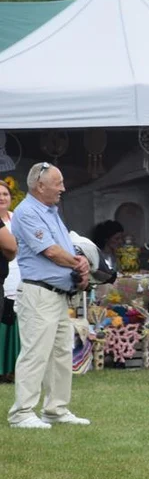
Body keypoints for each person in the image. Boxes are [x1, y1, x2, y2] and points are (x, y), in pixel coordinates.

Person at [7, 162, 90, 429]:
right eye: (58, 183)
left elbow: (66, 248)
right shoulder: (27, 212)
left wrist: (83, 265)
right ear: (40, 186)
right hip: (38, 293)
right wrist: (79, 264)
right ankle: (21, 413)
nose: (63, 188)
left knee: (60, 354)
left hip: (58, 294)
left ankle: (55, 409)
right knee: (35, 353)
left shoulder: (51, 211)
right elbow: (51, 252)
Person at [0, 180, 19, 383]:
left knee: (15, 321)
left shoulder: (17, 219)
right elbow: (12, 248)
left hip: (17, 275)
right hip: (3, 275)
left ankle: (14, 368)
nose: (2, 198)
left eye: (5, 194)